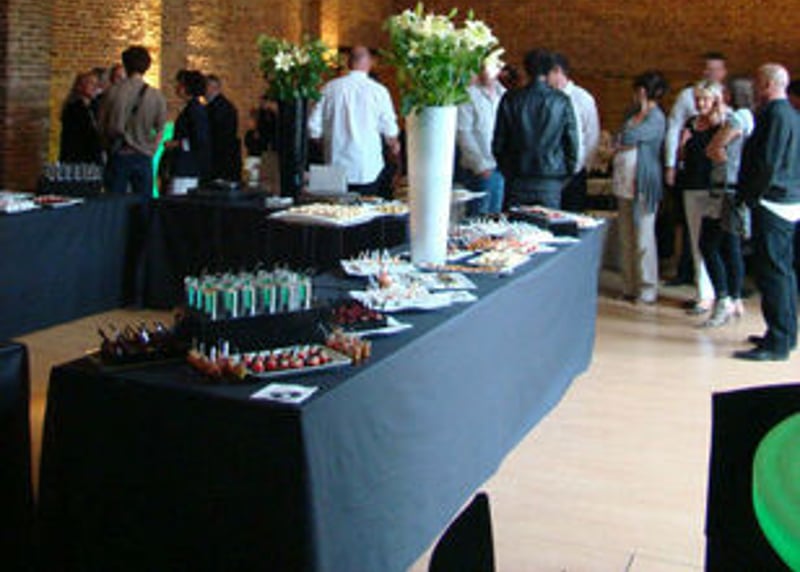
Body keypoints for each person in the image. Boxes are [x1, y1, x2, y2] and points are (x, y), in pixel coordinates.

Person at [734, 64, 800, 361]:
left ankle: (778, 342)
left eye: (758, 81)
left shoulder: (775, 115)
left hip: (773, 202)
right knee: (782, 271)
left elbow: (767, 163)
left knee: (773, 273)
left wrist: (750, 197)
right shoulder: (791, 114)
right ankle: (784, 333)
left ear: (769, 84)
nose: (754, 87)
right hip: (786, 198)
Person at [308, 45, 400, 195]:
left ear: (348, 63)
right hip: (367, 167)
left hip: (335, 165)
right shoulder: (379, 91)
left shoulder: (329, 88)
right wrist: (394, 146)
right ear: (369, 63)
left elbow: (313, 128)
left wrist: (327, 143)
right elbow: (390, 130)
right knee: (367, 207)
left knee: (334, 208)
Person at [492, 49, 578, 209]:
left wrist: (507, 170)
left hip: (517, 176)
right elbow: (571, 143)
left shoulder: (511, 99)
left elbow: (499, 143)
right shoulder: (562, 101)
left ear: (526, 69)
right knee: (548, 223)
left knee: (516, 223)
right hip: (551, 177)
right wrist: (567, 173)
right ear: (549, 70)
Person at [612, 71, 668, 304]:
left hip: (643, 182)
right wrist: (622, 140)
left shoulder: (656, 117)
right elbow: (618, 137)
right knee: (625, 237)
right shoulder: (631, 113)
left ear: (644, 91)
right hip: (623, 180)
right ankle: (629, 285)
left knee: (643, 237)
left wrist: (624, 139)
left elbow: (628, 136)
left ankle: (647, 287)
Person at [676, 81, 729, 316]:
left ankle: (719, 293)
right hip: (691, 184)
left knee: (711, 243)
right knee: (695, 239)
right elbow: (683, 156)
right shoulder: (691, 123)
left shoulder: (721, 125)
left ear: (715, 100)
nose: (700, 104)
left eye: (705, 99)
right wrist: (683, 144)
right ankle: (703, 292)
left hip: (712, 187)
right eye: (697, 99)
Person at [697, 83, 748, 327]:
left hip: (726, 189)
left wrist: (725, 162)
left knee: (709, 244)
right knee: (729, 245)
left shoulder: (737, 118)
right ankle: (733, 298)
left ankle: (724, 299)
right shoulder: (722, 121)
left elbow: (714, 149)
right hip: (724, 186)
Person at [99, 45, 167, 198]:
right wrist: (152, 149)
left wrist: (108, 146)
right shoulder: (156, 96)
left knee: (114, 205)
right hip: (143, 155)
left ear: (125, 64)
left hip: (118, 153)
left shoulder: (112, 92)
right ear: (147, 67)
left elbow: (102, 126)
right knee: (143, 205)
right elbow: (160, 128)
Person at [547, 52, 601, 212]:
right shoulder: (546, 98)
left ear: (557, 71)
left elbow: (591, 136)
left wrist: (581, 166)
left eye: (547, 74)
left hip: (575, 172)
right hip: (550, 172)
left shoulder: (582, 98)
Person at [456, 62, 506, 214]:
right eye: (484, 68)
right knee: (478, 216)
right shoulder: (468, 96)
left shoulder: (504, 94)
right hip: (479, 169)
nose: (488, 72)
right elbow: (463, 133)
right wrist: (480, 166)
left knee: (496, 216)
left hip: (501, 167)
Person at [164, 70, 211, 194]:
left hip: (187, 167)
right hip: (184, 166)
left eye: (180, 84)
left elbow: (200, 139)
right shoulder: (191, 108)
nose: (177, 87)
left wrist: (176, 144)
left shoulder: (195, 110)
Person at [59, 71, 103, 165]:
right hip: (77, 158)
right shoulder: (73, 108)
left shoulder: (94, 106)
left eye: (96, 83)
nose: (95, 87)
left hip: (92, 158)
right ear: (80, 86)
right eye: (91, 83)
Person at [205, 74, 242, 182]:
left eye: (205, 86)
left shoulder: (215, 108)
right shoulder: (227, 105)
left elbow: (214, 135)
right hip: (227, 158)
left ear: (212, 88)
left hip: (218, 159)